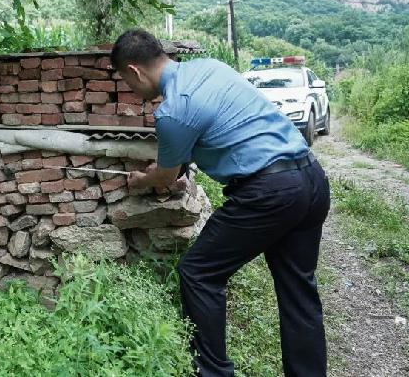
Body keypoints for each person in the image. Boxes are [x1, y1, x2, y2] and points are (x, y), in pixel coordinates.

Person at [111, 29, 329, 377]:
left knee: (198, 273)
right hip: (312, 179)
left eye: (126, 81)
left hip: (269, 192)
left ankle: (213, 373)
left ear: (135, 71)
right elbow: (222, 126)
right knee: (298, 291)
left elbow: (164, 177)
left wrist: (142, 180)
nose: (131, 90)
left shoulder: (173, 111)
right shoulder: (210, 67)